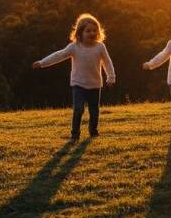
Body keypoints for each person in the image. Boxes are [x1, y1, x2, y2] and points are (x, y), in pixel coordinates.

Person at [33, 13, 115, 141]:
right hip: (78, 85)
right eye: (88, 31)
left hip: (94, 85)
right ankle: (75, 135)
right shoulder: (74, 47)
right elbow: (59, 55)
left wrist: (111, 77)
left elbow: (107, 62)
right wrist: (42, 63)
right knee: (78, 109)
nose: (92, 33)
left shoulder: (100, 47)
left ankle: (93, 132)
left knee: (94, 111)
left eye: (95, 31)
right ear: (80, 33)